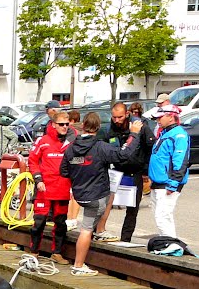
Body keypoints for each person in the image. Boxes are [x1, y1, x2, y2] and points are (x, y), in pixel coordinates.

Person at [60, 112, 141, 276]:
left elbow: (64, 171)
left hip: (80, 194)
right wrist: (134, 134)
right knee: (86, 229)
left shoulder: (71, 148)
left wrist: (81, 170)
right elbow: (123, 154)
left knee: (105, 201)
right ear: (98, 128)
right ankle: (78, 265)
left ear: (83, 125)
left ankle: (99, 231)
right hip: (95, 196)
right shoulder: (100, 147)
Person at [94, 102, 155, 243]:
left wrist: (146, 170)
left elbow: (151, 148)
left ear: (127, 114)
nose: (117, 120)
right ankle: (98, 231)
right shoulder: (109, 129)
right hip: (115, 171)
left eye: (120, 117)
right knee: (104, 204)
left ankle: (125, 239)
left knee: (132, 209)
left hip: (135, 172)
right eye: (114, 117)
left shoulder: (140, 127)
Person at [27, 111, 73, 264]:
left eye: (67, 124)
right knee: (39, 222)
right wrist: (38, 179)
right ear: (53, 124)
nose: (64, 127)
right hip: (44, 188)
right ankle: (34, 251)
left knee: (61, 223)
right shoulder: (43, 141)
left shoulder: (71, 142)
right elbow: (32, 161)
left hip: (63, 188)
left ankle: (57, 253)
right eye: (61, 124)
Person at [147, 104, 190, 238]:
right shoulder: (166, 133)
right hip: (159, 182)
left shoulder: (179, 135)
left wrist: (173, 183)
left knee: (162, 216)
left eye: (160, 117)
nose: (158, 121)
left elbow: (181, 160)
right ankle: (169, 242)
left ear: (171, 117)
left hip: (167, 183)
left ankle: (171, 245)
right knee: (160, 216)